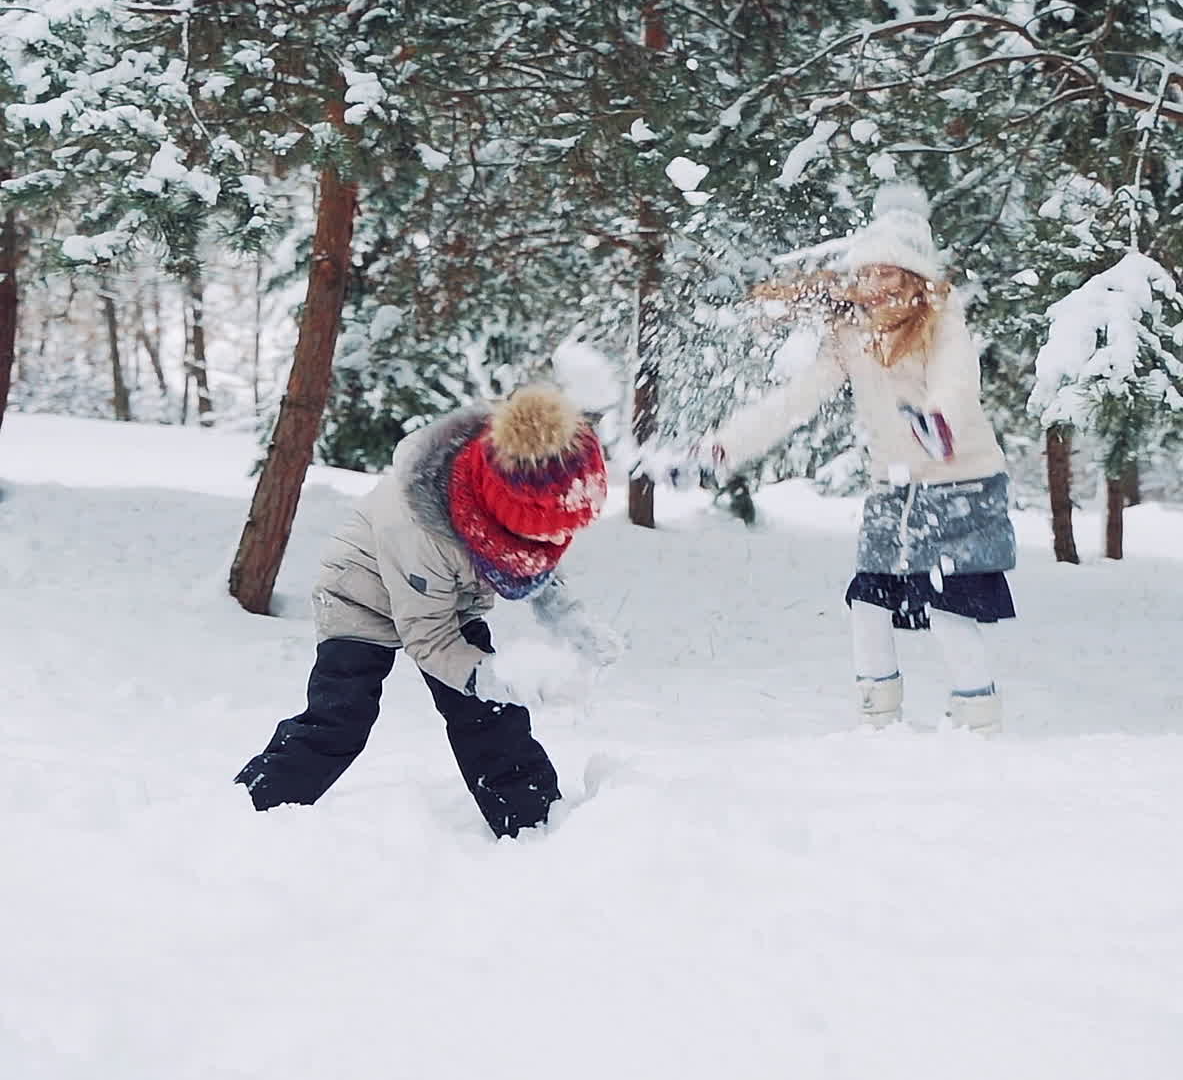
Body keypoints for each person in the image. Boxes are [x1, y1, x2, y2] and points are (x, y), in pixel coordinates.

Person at [693, 183, 1015, 732]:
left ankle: (976, 721)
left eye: (887, 274)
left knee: (950, 608)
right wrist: (729, 444)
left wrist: (937, 424)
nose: (874, 286)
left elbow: (957, 381)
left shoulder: (942, 320)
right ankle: (877, 719)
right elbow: (796, 399)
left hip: (961, 484)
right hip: (894, 490)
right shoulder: (851, 335)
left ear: (914, 278)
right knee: (869, 602)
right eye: (866, 274)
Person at [235, 384, 616, 836]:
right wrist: (499, 677)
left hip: (446, 596)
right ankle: (252, 807)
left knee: (489, 718)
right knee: (341, 720)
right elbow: (429, 640)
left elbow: (535, 562)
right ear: (501, 518)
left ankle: (533, 824)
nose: (552, 545)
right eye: (543, 536)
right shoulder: (419, 526)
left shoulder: (515, 487)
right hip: (359, 593)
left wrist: (568, 618)